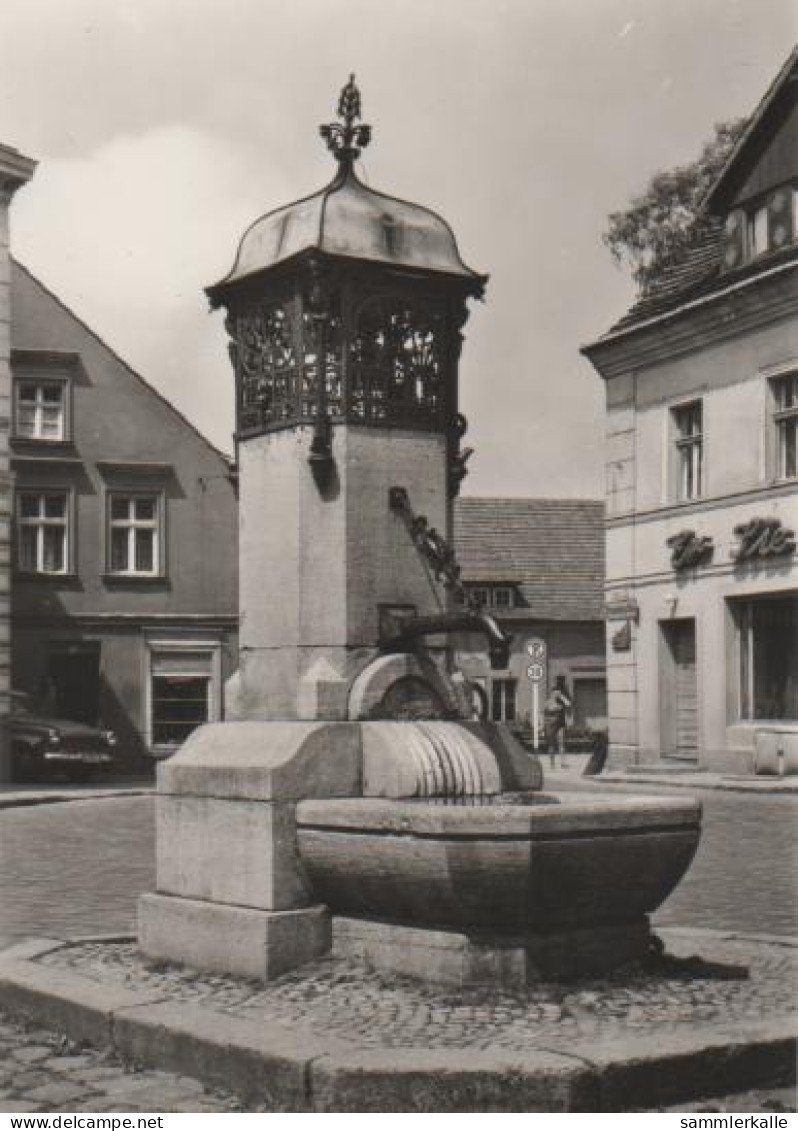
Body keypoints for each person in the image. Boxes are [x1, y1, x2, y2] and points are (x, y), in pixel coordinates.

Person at [543, 676, 572, 769]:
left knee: (561, 743)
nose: (557, 694)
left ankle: (563, 763)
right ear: (552, 693)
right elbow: (543, 714)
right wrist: (542, 725)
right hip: (550, 725)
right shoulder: (548, 702)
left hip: (560, 724)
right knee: (551, 745)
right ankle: (552, 764)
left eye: (558, 693)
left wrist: (562, 697)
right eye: (556, 693)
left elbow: (569, 704)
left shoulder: (561, 702)